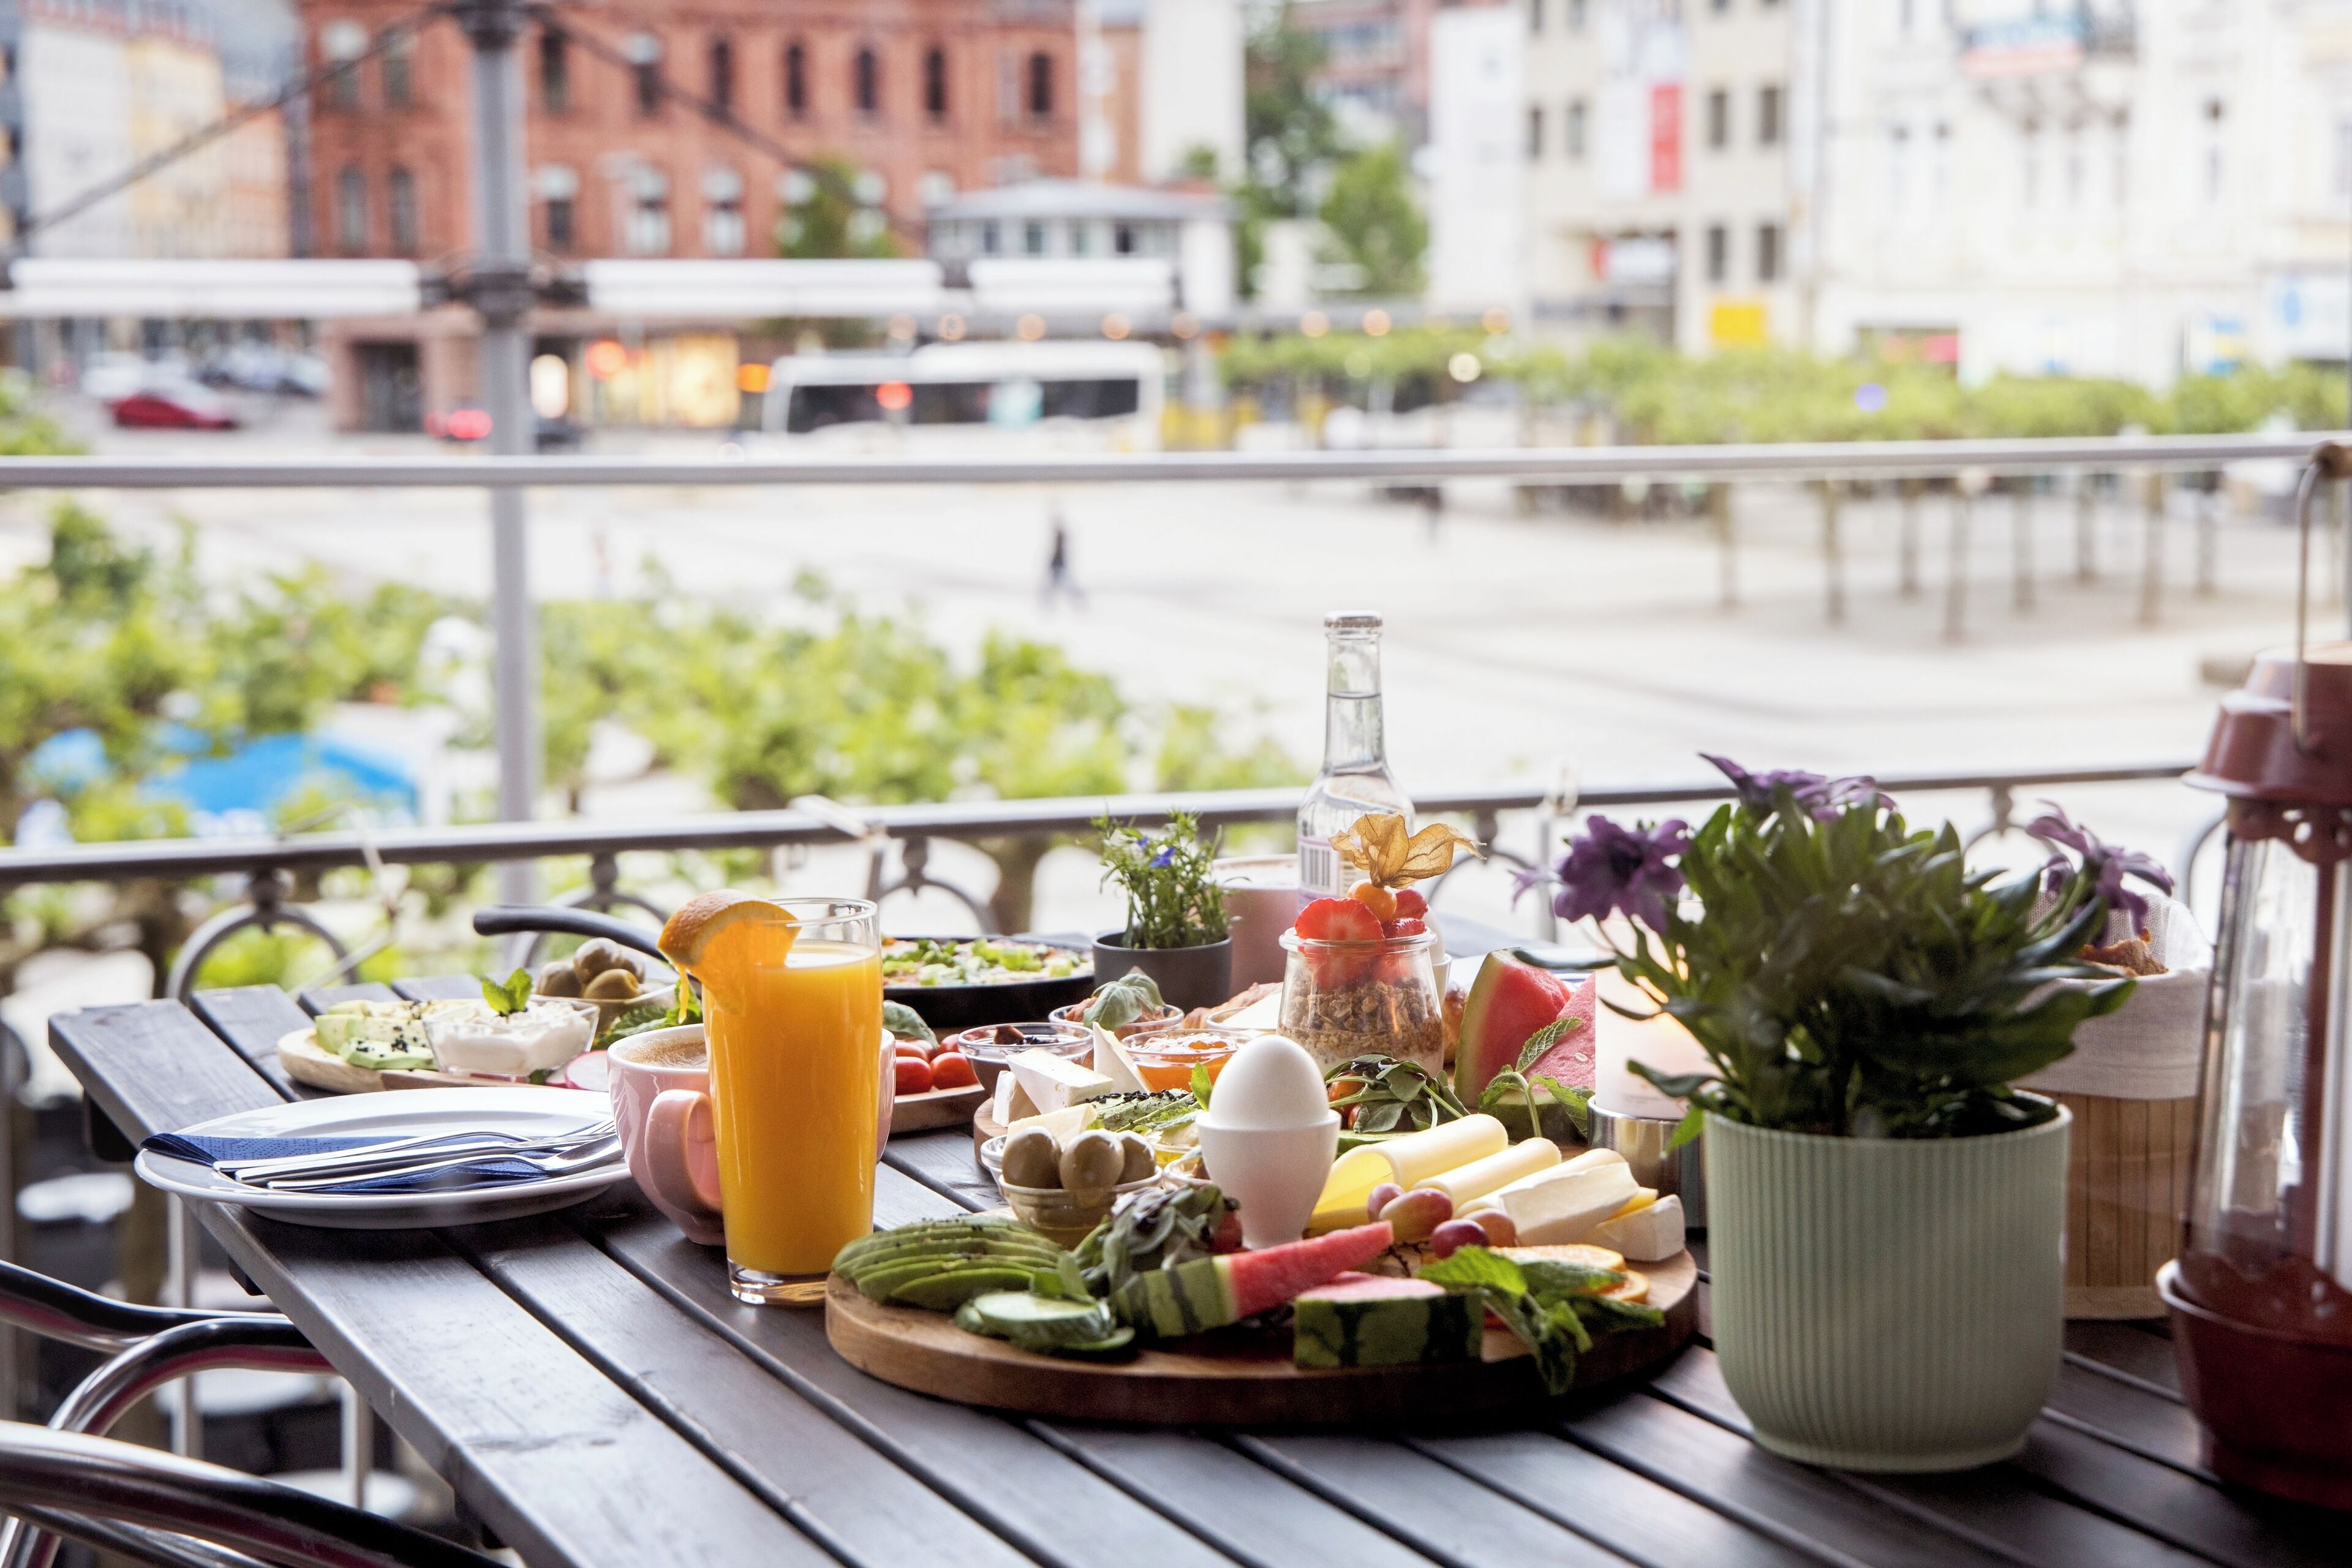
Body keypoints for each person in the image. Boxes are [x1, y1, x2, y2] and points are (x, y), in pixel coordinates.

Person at [1042, 510, 1085, 608]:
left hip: (1059, 561)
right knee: (1058, 583)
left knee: (1059, 583)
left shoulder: (1060, 536)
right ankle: (1049, 601)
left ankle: (1049, 601)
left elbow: (1059, 550)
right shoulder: (1060, 535)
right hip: (1059, 561)